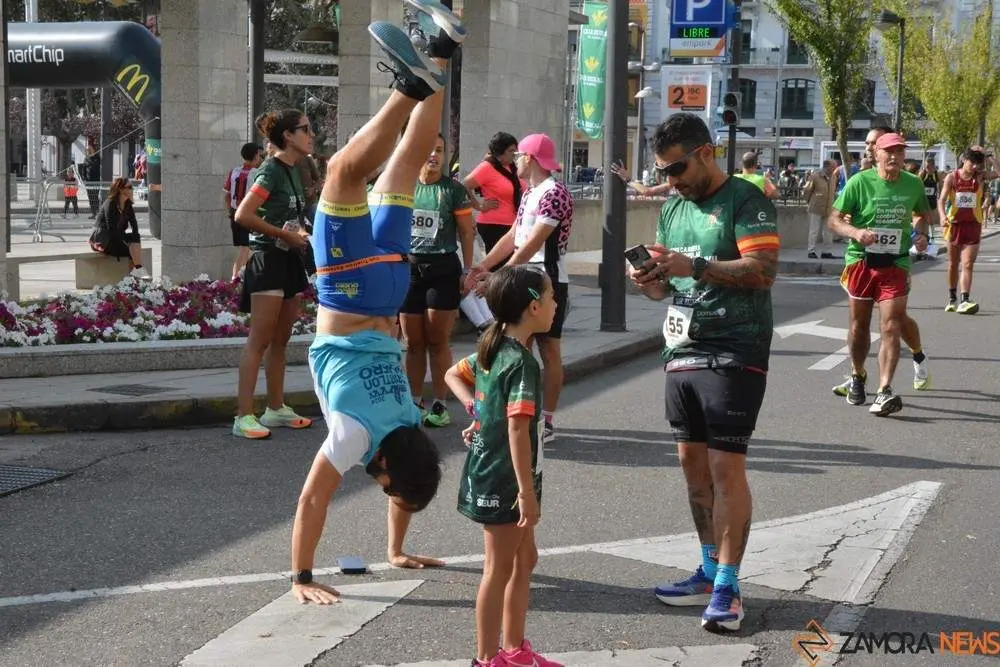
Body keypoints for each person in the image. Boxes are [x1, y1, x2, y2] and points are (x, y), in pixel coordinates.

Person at [289, 2, 466, 605]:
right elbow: (313, 499)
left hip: (394, 284)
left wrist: (395, 552)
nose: (386, 492)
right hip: (351, 291)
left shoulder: (411, 423)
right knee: (341, 173)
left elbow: (408, 486)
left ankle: (441, 51)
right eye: (390, 490)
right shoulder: (352, 437)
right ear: (389, 471)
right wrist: (303, 578)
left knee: (403, 169)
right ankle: (409, 86)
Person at [628, 113, 779, 633]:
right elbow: (662, 291)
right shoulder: (672, 208)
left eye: (677, 168)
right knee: (692, 468)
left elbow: (763, 272)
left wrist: (692, 267)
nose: (671, 181)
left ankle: (729, 587)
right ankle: (709, 567)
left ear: (707, 152)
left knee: (724, 469)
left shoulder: (745, 200)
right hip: (682, 348)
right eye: (664, 172)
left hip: (736, 347)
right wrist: (648, 278)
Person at [445, 265, 561, 667]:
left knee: (525, 561)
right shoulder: (522, 363)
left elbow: (452, 375)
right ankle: (487, 658)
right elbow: (516, 430)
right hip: (506, 480)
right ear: (533, 307)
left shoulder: (495, 347)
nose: (555, 304)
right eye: (550, 298)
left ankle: (514, 651)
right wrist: (526, 493)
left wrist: (476, 411)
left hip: (500, 472)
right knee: (497, 569)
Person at [466, 133, 574, 444]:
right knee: (517, 348)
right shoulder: (529, 193)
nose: (515, 160)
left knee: (549, 350)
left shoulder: (556, 193)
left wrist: (500, 275)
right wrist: (484, 265)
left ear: (532, 158)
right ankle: (522, 411)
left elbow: (533, 243)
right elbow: (515, 235)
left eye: (519, 155)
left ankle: (548, 419)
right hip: (522, 277)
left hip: (548, 280)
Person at [827, 133, 932, 415]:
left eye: (900, 152)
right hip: (861, 261)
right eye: (890, 152)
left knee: (891, 325)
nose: (896, 157)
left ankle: (885, 390)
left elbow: (922, 215)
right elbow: (834, 220)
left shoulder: (913, 183)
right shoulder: (860, 182)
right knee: (858, 327)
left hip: (896, 262)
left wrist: (921, 234)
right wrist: (856, 232)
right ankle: (858, 374)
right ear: (877, 154)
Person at [232, 111, 314, 439]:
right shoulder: (270, 170)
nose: (312, 134)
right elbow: (243, 215)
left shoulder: (295, 170)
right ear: (288, 136)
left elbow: (290, 217)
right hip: (267, 260)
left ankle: (276, 408)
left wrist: (300, 235)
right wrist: (283, 234)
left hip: (290, 260)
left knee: (282, 340)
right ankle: (243, 416)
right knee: (260, 340)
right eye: (305, 129)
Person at [400, 133, 475, 427]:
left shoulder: (452, 190)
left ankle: (441, 404)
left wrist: (468, 271)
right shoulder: (404, 185)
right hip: (408, 268)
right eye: (429, 149)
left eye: (440, 151)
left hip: (443, 269)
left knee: (437, 339)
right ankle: (415, 401)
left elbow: (467, 233)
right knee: (413, 341)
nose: (434, 155)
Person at [938, 147, 987, 314]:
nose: (974, 167)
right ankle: (952, 298)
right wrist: (942, 216)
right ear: (964, 160)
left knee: (968, 264)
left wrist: (988, 155)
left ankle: (965, 299)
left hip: (973, 225)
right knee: (953, 264)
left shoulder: (979, 176)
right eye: (971, 163)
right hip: (954, 225)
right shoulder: (952, 177)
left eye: (977, 164)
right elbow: (942, 200)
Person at [463, 132, 522, 263]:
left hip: (513, 224)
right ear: (501, 152)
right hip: (493, 225)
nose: (515, 154)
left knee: (511, 268)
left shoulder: (513, 167)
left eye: (516, 150)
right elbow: (463, 185)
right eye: (511, 150)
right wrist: (479, 206)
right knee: (498, 269)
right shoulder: (487, 167)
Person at [88, 177, 147, 275]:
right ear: (120, 189)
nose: (131, 189)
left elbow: (134, 225)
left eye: (131, 187)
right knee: (130, 251)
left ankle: (137, 271)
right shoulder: (110, 203)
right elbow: (112, 229)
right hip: (104, 239)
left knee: (135, 240)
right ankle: (135, 275)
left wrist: (133, 240)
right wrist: (127, 242)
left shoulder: (127, 204)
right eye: (129, 187)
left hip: (117, 236)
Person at [224, 142, 263, 281]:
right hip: (249, 214)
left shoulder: (234, 171)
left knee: (246, 248)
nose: (260, 157)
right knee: (246, 249)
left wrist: (231, 212)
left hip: (235, 213)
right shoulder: (257, 174)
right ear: (255, 156)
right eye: (259, 154)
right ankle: (235, 279)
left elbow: (227, 195)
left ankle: (243, 277)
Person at [802, 159, 836, 259]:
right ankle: (811, 250)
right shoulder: (815, 176)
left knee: (828, 231)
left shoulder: (833, 177)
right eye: (833, 167)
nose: (835, 169)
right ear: (827, 167)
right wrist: (810, 202)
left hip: (829, 207)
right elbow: (806, 191)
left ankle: (826, 252)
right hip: (815, 207)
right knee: (814, 230)